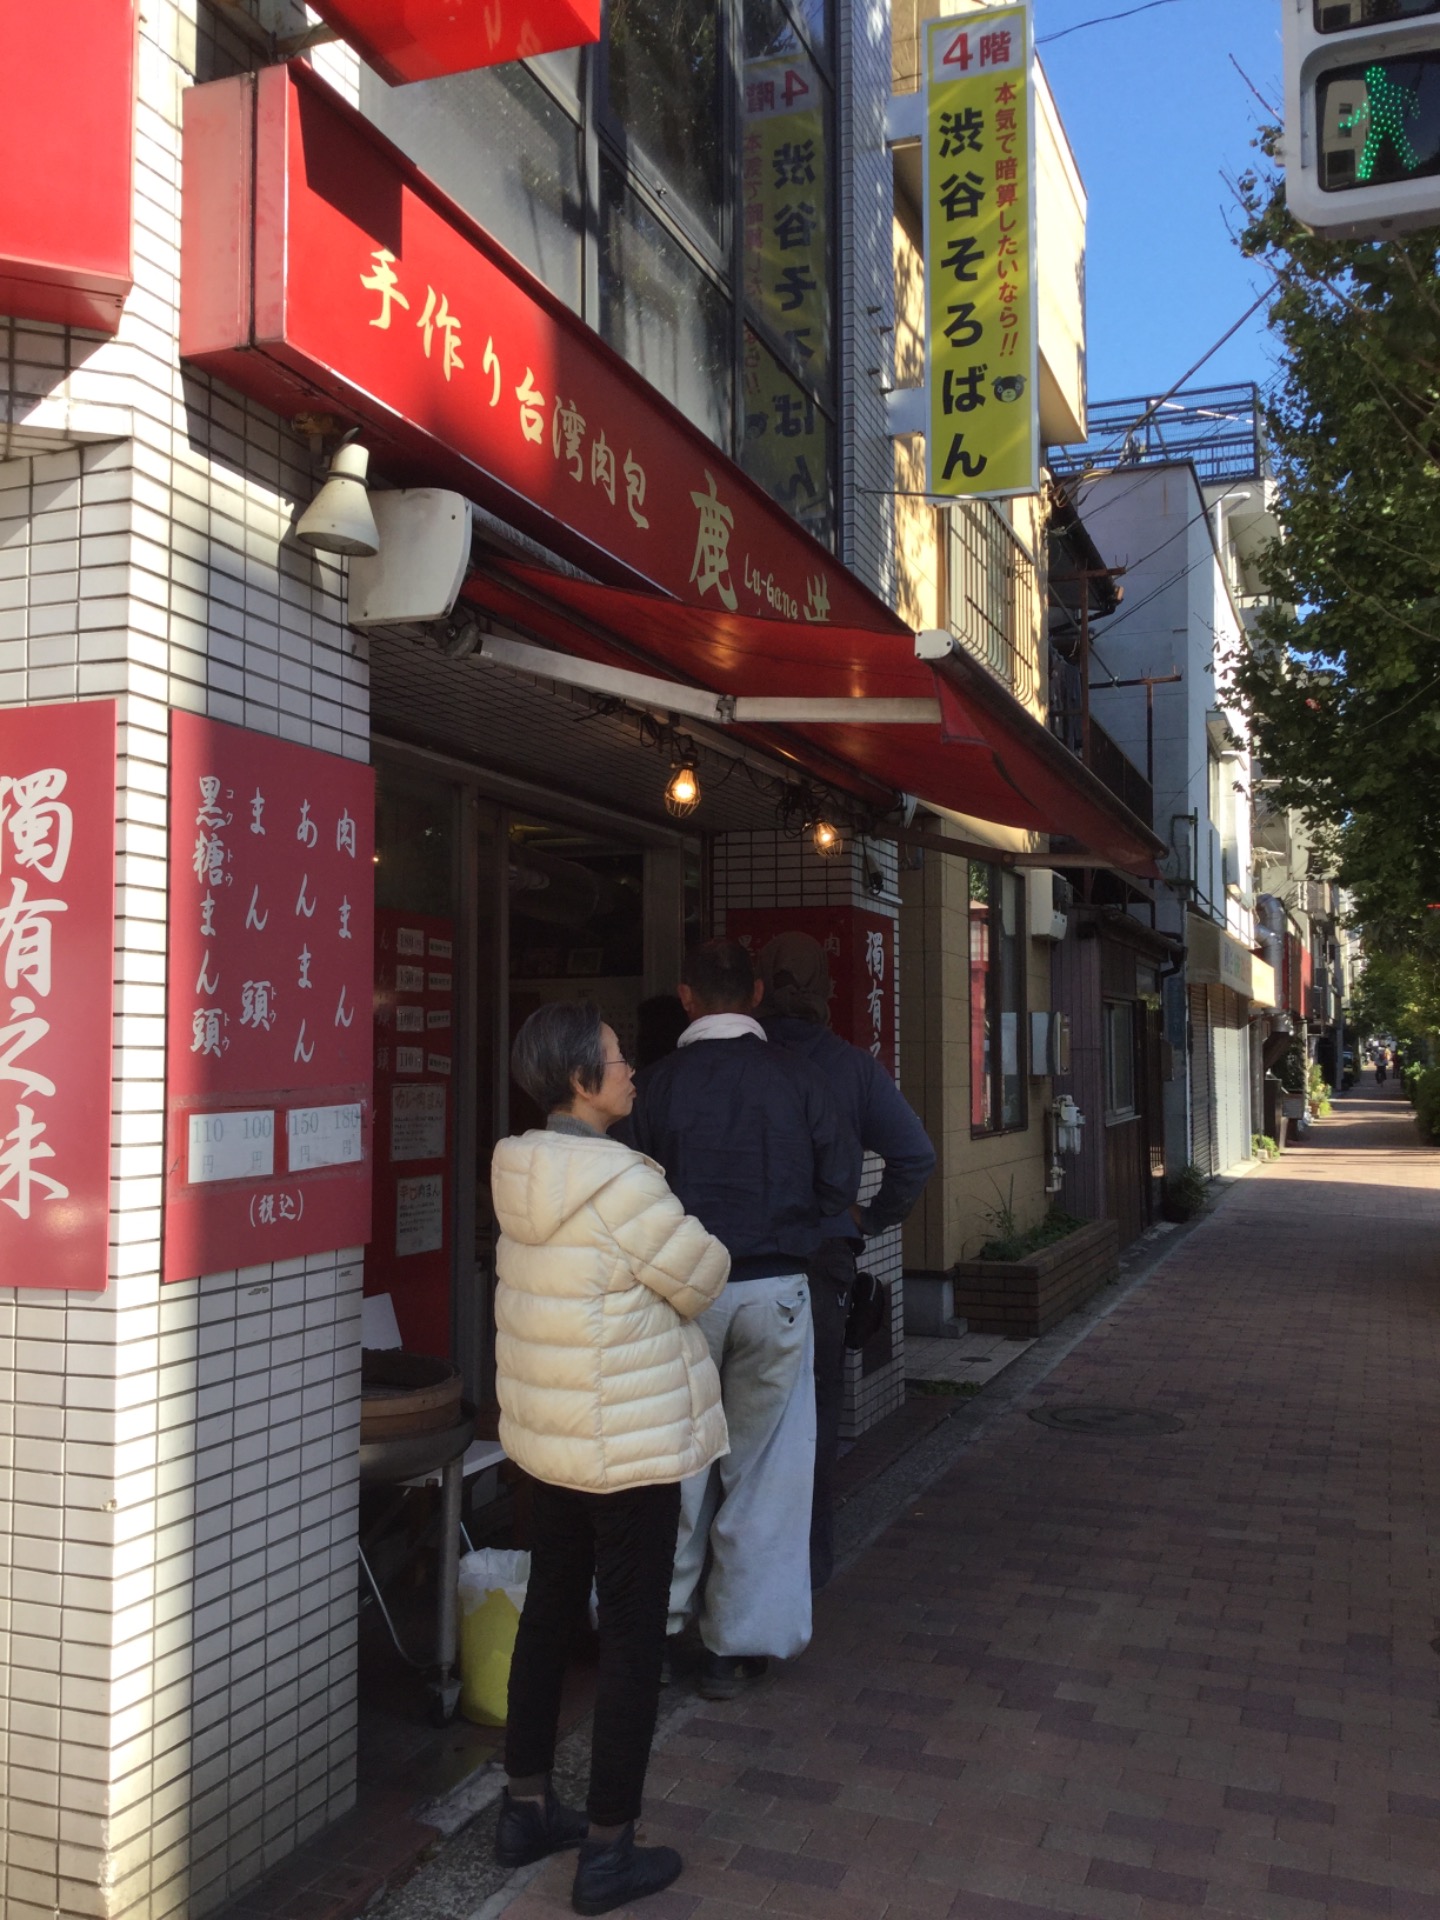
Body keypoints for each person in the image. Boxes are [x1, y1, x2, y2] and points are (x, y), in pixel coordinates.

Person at [491, 1001, 730, 1915]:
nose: (633, 1071)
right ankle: (607, 1849)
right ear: (582, 1082)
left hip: (547, 1443)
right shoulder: (623, 1183)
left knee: (549, 1613)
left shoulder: (519, 1170)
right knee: (631, 1637)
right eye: (620, 1059)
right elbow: (702, 1277)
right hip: (627, 1448)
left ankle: (524, 1810)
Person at [629, 939, 857, 1700]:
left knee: (675, 1464)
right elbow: (840, 1181)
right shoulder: (801, 1078)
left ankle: (656, 1627)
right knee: (766, 1469)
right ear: (757, 993)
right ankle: (736, 1647)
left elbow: (627, 1196)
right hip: (777, 1288)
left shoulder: (655, 1085)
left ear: (686, 997)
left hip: (679, 1295)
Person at [757, 931, 936, 1590]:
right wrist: (869, 1216)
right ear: (828, 991)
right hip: (821, 1263)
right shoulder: (851, 1068)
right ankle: (804, 1575)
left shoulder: (734, 1062)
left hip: (728, 1265)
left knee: (732, 1423)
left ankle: (733, 1582)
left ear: (758, 988)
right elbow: (915, 1155)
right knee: (813, 1421)